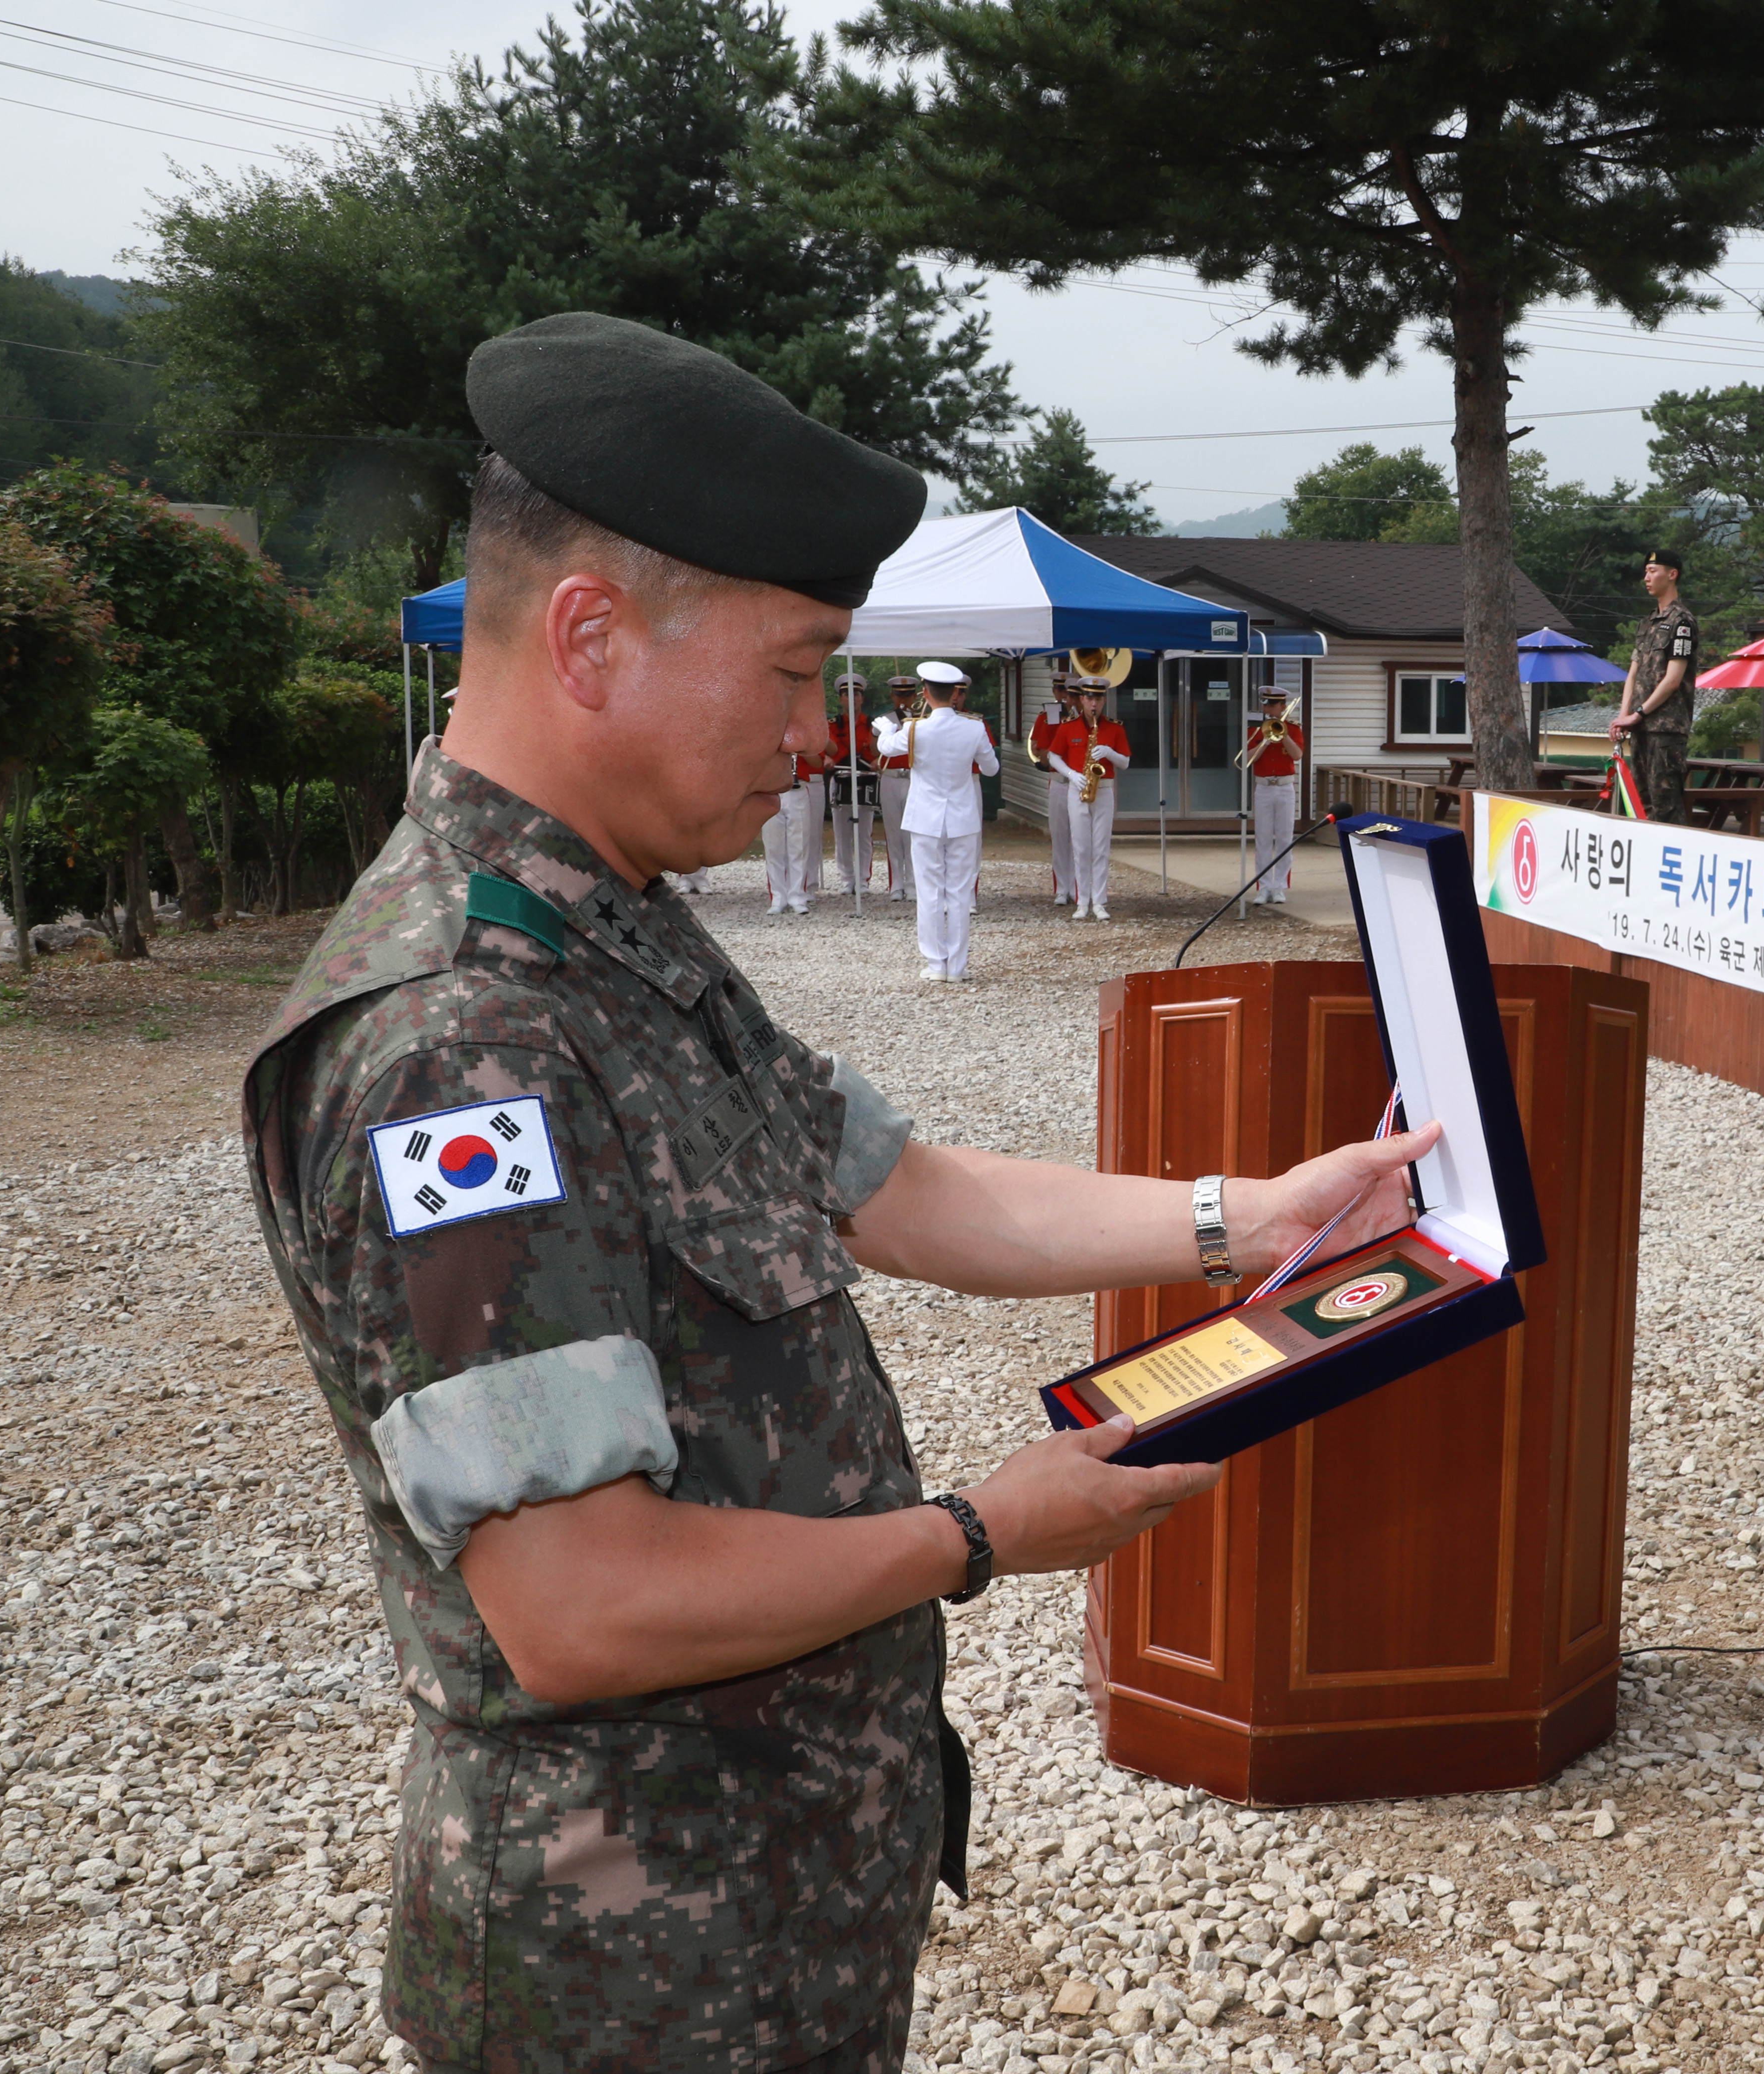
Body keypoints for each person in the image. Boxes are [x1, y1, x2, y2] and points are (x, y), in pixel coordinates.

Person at [239, 311, 1439, 2074]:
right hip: (630, 1970)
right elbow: (577, 1604)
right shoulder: (462, 1040)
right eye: (796, 672)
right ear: (592, 635)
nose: (818, 736)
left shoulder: (612, 926)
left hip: (759, 1906)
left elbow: (896, 1186)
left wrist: (1242, 1221)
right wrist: (976, 1537)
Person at [882, 671, 997, 982]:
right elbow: (991, 769)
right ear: (955, 693)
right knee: (959, 892)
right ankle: (957, 967)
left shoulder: (917, 729)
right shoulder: (974, 728)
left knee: (930, 891)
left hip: (926, 818)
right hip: (962, 817)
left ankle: (936, 964)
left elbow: (888, 748)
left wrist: (885, 729)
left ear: (926, 694)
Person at [1610, 547, 1698, 825]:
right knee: (1639, 804)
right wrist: (1625, 717)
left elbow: (1673, 680)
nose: (1646, 578)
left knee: (1666, 808)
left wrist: (1638, 714)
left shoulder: (1681, 622)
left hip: (1666, 730)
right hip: (1641, 728)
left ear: (1672, 575)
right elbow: (1633, 674)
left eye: (1653, 571)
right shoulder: (1647, 623)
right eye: (1645, 572)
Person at [1050, 682, 1129, 921]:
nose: (1094, 704)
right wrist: (1072, 775)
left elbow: (1125, 762)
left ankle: (1100, 901)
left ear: (1104, 701)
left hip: (1104, 790)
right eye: (1089, 699)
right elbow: (1053, 756)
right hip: (1078, 790)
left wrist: (1109, 752)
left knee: (1101, 848)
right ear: (1082, 700)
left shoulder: (1115, 729)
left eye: (1098, 699)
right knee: (1081, 847)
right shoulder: (1068, 727)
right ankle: (1082, 901)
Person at [1237, 683, 1307, 903]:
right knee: (1263, 839)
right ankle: (1264, 887)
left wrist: (1283, 734)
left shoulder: (1294, 729)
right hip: (1264, 788)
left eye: (1273, 705)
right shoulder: (1255, 731)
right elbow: (1247, 760)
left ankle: (1280, 887)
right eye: (1266, 704)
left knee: (1285, 838)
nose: (1268, 709)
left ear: (1282, 706)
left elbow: (1297, 755)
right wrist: (1266, 740)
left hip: (1285, 788)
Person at [762, 710, 828, 914]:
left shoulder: (805, 733)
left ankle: (798, 895)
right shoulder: (766, 732)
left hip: (799, 791)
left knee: (799, 847)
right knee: (774, 848)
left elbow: (819, 764)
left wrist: (804, 746)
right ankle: (778, 897)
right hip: (773, 791)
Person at [825, 676, 877, 898]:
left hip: (866, 779)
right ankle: (847, 879)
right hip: (841, 778)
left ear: (862, 698)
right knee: (842, 834)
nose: (852, 698)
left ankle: (864, 879)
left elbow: (878, 752)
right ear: (841, 699)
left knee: (864, 834)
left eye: (856, 694)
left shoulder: (873, 725)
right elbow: (830, 750)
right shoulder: (833, 724)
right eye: (847, 695)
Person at [875, 672, 922, 901]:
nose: (904, 700)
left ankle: (913, 884)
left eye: (908, 695)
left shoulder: (924, 719)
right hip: (891, 777)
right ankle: (896, 885)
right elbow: (874, 750)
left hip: (914, 778)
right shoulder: (885, 720)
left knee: (913, 833)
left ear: (915, 696)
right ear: (892, 696)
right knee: (893, 833)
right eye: (899, 695)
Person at [1027, 670, 1073, 904]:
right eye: (1060, 691)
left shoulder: (1086, 718)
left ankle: (1080, 888)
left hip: (1081, 783)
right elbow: (1041, 754)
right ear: (1055, 692)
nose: (1064, 696)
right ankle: (1062, 889)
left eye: (1069, 692)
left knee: (1083, 839)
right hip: (1058, 781)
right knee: (1060, 836)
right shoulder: (1047, 717)